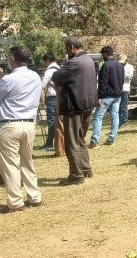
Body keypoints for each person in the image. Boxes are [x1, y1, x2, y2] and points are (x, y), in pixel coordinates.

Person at [0, 46, 43, 212]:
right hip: (29, 124)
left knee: (10, 165)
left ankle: (16, 202)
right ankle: (34, 196)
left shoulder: (8, 79)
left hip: (10, 124)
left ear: (12, 59)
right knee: (27, 161)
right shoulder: (35, 76)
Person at [52, 37, 98, 186]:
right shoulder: (89, 60)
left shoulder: (74, 63)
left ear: (72, 47)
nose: (66, 51)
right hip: (87, 105)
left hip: (74, 106)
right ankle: (85, 169)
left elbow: (56, 76)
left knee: (71, 141)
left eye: (67, 48)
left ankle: (76, 174)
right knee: (80, 139)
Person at [89, 46, 124, 148]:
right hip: (117, 95)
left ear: (105, 54)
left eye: (102, 55)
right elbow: (121, 81)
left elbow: (102, 82)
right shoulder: (120, 65)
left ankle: (94, 141)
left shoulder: (105, 65)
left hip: (106, 96)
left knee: (98, 118)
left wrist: (99, 97)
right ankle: (111, 139)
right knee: (115, 116)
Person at [40, 53, 60, 152]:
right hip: (60, 97)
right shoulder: (59, 68)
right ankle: (58, 142)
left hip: (52, 97)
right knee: (59, 120)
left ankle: (49, 144)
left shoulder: (49, 71)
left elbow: (42, 85)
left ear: (47, 61)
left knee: (51, 120)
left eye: (44, 62)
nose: (44, 64)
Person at [118, 54, 134, 128]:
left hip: (125, 89)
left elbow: (130, 77)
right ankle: (119, 121)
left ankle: (124, 121)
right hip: (118, 88)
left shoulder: (130, 67)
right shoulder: (118, 66)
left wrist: (122, 72)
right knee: (118, 107)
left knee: (124, 106)